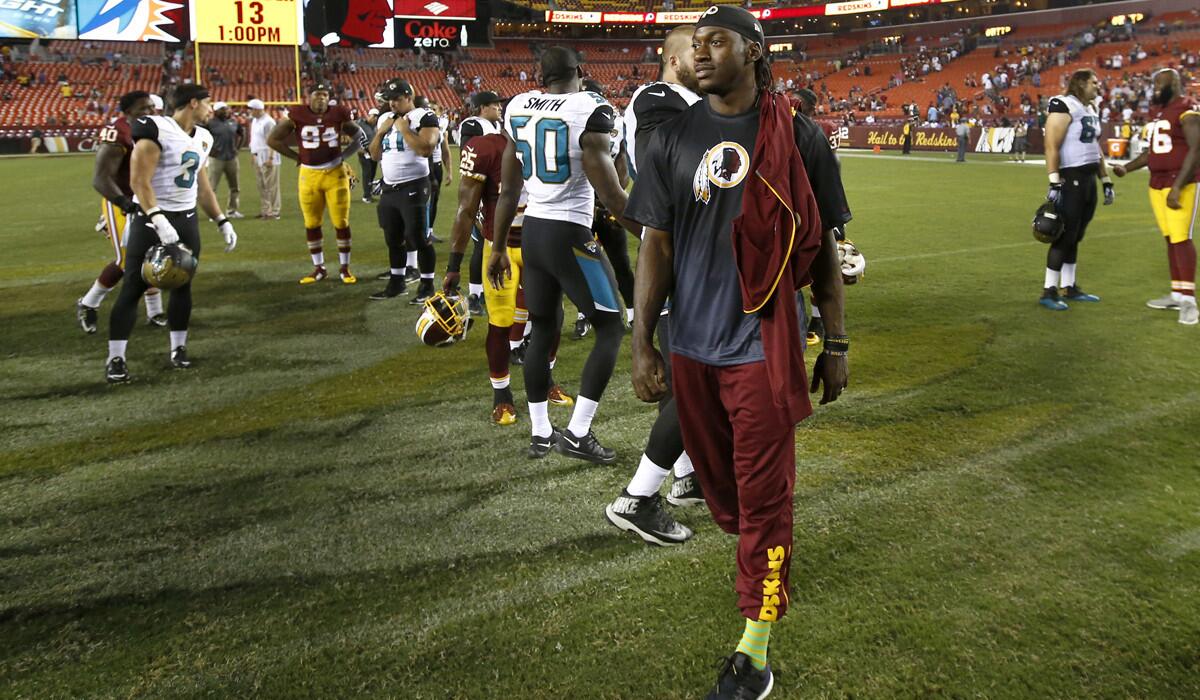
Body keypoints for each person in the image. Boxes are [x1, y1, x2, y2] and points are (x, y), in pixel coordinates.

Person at [626, 8, 848, 697]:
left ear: (754, 50)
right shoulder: (668, 136)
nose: (700, 53)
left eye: (715, 41)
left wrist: (835, 340)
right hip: (690, 345)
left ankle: (754, 651)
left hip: (762, 345)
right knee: (725, 494)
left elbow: (826, 254)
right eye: (694, 44)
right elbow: (655, 246)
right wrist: (642, 344)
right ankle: (766, 560)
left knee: (763, 496)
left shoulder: (800, 136)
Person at [488, 46, 635, 463]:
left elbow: (508, 190)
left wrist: (499, 247)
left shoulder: (518, 105)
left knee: (542, 327)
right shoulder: (590, 108)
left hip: (531, 232)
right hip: (570, 233)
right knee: (611, 327)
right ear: (580, 71)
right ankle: (578, 433)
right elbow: (613, 196)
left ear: (541, 74)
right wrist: (657, 237)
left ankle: (540, 433)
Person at [605, 24, 704, 546]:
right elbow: (669, 165)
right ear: (671, 58)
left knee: (696, 381)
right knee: (694, 387)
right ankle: (638, 497)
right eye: (698, 48)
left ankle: (687, 477)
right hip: (676, 257)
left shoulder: (693, 100)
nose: (706, 56)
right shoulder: (659, 98)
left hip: (693, 253)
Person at [104, 84, 239, 383]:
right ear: (193, 103)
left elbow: (202, 186)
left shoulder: (203, 136)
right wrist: (157, 218)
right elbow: (139, 181)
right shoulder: (156, 128)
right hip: (151, 219)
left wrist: (221, 219)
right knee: (133, 287)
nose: (211, 108)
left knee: (183, 284)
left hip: (186, 219)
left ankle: (178, 349)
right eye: (207, 103)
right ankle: (116, 357)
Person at [443, 131, 574, 425]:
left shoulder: (552, 142)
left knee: (552, 317)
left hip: (541, 245)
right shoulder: (487, 148)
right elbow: (465, 210)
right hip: (500, 249)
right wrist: (454, 265)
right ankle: (501, 396)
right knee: (501, 322)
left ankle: (546, 379)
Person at [1112, 68, 1200, 325]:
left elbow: (1195, 150)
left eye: (1161, 84)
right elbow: (1153, 152)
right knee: (1170, 238)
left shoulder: (1188, 108)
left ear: (1175, 83)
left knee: (1182, 238)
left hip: (1177, 182)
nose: (1156, 89)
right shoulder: (1159, 113)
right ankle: (1177, 293)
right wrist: (1126, 168)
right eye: (1155, 85)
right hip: (1156, 182)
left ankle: (1189, 301)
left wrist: (1178, 187)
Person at [76, 90, 166, 334]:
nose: (149, 113)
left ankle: (155, 310)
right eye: (143, 109)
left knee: (152, 254)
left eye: (151, 108)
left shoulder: (157, 128)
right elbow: (100, 178)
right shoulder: (119, 132)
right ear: (127, 112)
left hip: (148, 199)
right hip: (122, 201)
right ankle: (88, 303)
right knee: (129, 260)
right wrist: (125, 205)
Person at [268, 82, 363, 285]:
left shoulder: (339, 113)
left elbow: (360, 137)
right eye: (317, 94)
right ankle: (319, 268)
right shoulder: (297, 113)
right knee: (311, 223)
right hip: (308, 176)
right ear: (308, 96)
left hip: (335, 174)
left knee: (341, 222)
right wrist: (296, 157)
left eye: (324, 94)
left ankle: (345, 268)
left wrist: (344, 156)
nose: (321, 98)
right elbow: (273, 140)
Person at [1040, 69, 1114, 311]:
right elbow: (1051, 145)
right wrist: (1054, 181)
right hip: (1070, 177)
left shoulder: (1090, 109)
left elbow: (1095, 148)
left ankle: (1069, 286)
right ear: (1081, 84)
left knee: (1077, 235)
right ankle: (1049, 290)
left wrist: (1106, 180)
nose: (1098, 86)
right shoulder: (1064, 104)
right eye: (1094, 82)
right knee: (1064, 234)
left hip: (1088, 179)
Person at [368, 78, 441, 302]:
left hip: (415, 186)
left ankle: (427, 285)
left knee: (418, 237)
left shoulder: (424, 116)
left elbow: (425, 150)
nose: (392, 104)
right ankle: (397, 282)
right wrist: (380, 133)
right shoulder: (384, 118)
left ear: (409, 97)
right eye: (389, 99)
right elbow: (374, 155)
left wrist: (404, 130)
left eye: (397, 99)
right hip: (390, 188)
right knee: (393, 237)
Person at [458, 90, 503, 316]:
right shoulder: (473, 125)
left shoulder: (493, 127)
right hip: (480, 194)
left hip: (494, 194)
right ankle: (474, 294)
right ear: (483, 107)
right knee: (480, 244)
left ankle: (487, 290)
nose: (500, 108)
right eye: (495, 105)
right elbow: (469, 161)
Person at [205, 101, 245, 218]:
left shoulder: (233, 121)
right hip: (216, 159)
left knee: (235, 187)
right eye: (223, 109)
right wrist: (209, 150)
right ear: (216, 111)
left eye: (227, 109)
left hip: (231, 158)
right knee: (212, 188)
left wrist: (238, 148)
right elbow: (201, 137)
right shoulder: (210, 123)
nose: (226, 111)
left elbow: (242, 134)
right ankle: (213, 213)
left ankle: (232, 210)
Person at [247, 98, 280, 219]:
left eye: (251, 109)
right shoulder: (255, 121)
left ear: (257, 109)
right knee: (262, 185)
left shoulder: (268, 122)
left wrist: (271, 158)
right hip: (258, 155)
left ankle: (275, 211)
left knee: (271, 185)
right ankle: (266, 210)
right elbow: (254, 139)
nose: (250, 111)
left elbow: (273, 141)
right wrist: (253, 154)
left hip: (267, 155)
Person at [356, 107, 379, 203]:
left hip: (373, 153)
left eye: (376, 117)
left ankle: (369, 193)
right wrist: (359, 148)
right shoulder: (360, 124)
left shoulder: (375, 126)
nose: (375, 119)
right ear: (369, 116)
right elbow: (353, 136)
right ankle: (366, 196)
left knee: (372, 173)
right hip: (364, 152)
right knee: (367, 173)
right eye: (373, 116)